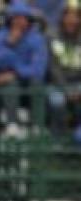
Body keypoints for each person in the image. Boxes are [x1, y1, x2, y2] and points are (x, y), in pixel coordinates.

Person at [0, 1, 50, 137]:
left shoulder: (37, 39)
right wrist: (10, 43)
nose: (18, 21)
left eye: (22, 18)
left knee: (36, 83)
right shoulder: (0, 37)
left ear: (28, 20)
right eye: (15, 17)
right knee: (11, 84)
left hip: (30, 82)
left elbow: (38, 69)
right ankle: (12, 124)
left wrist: (15, 71)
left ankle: (36, 125)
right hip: (6, 85)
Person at [47, 4, 81, 138]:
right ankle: (58, 140)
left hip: (78, 84)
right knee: (57, 102)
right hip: (57, 85)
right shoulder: (52, 37)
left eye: (75, 17)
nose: (71, 21)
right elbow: (52, 68)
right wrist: (66, 89)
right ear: (62, 18)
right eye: (68, 17)